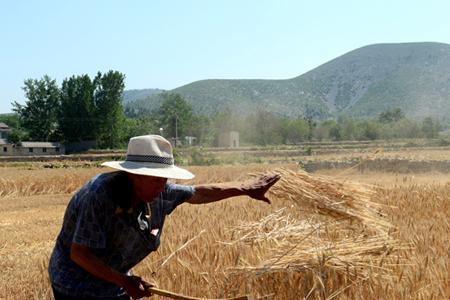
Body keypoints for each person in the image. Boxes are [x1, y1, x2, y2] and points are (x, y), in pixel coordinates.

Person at [48, 135, 280, 300]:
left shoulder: (159, 192)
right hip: (74, 284)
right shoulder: (99, 196)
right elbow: (79, 254)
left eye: (165, 179)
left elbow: (200, 192)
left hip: (113, 281)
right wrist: (124, 282)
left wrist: (246, 189)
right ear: (134, 176)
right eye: (157, 179)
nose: (164, 186)